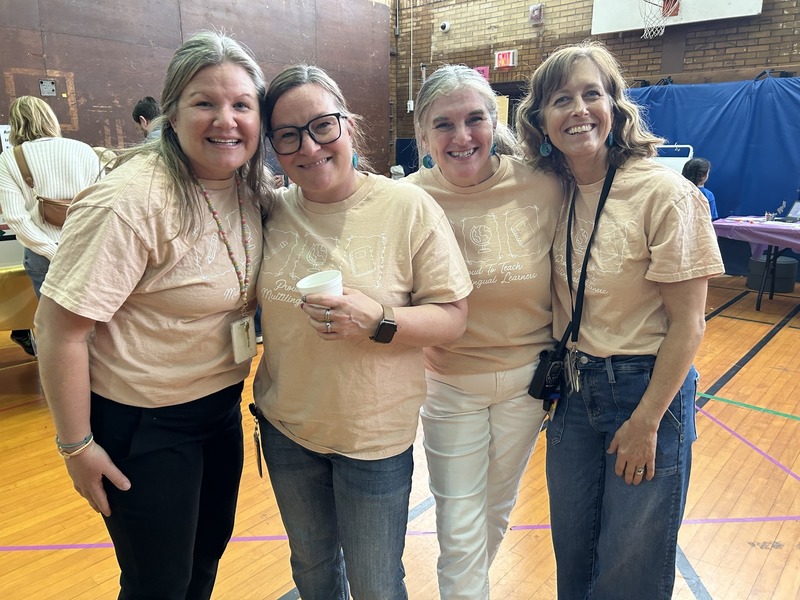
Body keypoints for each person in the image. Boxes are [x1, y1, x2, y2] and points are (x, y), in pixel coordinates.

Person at [34, 31, 269, 599]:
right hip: (143, 425)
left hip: (217, 412)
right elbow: (57, 329)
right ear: (171, 111)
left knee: (202, 563)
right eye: (204, 102)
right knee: (157, 585)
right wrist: (76, 445)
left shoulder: (246, 188)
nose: (226, 119)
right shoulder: (132, 199)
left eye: (242, 104)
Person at [253, 64, 473, 599]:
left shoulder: (407, 206)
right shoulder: (268, 211)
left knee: (377, 583)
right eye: (287, 135)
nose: (309, 147)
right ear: (274, 149)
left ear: (349, 125)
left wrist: (380, 321)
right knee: (312, 570)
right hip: (287, 430)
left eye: (322, 126)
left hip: (373, 439)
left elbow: (453, 318)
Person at [516, 41, 724, 599]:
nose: (578, 109)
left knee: (631, 563)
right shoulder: (550, 189)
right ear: (541, 119)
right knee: (574, 553)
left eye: (592, 94)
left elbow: (689, 324)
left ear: (616, 106)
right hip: (574, 391)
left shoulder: (666, 193)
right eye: (561, 99)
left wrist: (649, 420)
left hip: (643, 389)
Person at [406, 65, 564, 599]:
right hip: (450, 384)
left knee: (494, 513)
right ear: (422, 134)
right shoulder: (405, 199)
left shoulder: (543, 185)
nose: (463, 136)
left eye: (475, 119)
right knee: (458, 522)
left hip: (527, 384)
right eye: (443, 124)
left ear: (494, 123)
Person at [0, 96, 101, 356]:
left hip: (42, 255)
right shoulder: (83, 150)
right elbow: (104, 203)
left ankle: (66, 389)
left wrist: (52, 252)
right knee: (100, 322)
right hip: (87, 249)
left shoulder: (10, 159)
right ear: (51, 118)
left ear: (15, 124)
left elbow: (16, 218)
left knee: (56, 331)